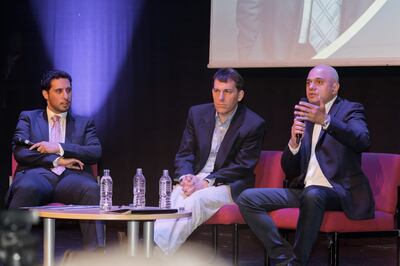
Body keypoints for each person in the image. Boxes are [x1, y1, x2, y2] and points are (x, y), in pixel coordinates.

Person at [237, 65, 374, 266]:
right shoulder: (305, 113)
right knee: (248, 198)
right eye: (308, 82)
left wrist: (326, 120)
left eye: (318, 82)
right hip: (305, 191)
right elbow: (290, 170)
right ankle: (284, 255)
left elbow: (363, 140)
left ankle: (297, 262)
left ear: (335, 88)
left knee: (313, 194)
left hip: (339, 191)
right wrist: (293, 142)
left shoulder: (349, 109)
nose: (311, 87)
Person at [154, 68, 266, 255]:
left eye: (227, 92)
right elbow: (185, 153)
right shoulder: (197, 114)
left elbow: (242, 166)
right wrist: (186, 178)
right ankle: (157, 252)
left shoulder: (253, 124)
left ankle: (157, 254)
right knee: (174, 197)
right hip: (196, 179)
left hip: (228, 184)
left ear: (240, 95)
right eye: (216, 91)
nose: (220, 98)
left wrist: (205, 182)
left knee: (195, 200)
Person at [5, 70, 104, 249]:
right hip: (37, 177)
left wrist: (59, 147)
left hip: (72, 180)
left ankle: (94, 256)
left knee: (91, 188)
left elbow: (95, 152)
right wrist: (56, 160)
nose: (66, 96)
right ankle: (11, 253)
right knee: (26, 186)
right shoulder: (28, 118)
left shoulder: (84, 123)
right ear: (46, 94)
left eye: (69, 90)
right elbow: (20, 151)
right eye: (59, 91)